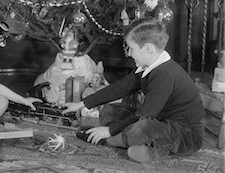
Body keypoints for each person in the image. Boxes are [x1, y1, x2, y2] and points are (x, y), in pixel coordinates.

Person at [62, 17, 205, 163]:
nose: (129, 53)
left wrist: (109, 131)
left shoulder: (164, 75)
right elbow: (120, 88)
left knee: (142, 127)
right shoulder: (147, 67)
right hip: (160, 121)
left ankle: (113, 141)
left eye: (131, 48)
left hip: (186, 135)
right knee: (109, 110)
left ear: (148, 49)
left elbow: (145, 115)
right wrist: (82, 104)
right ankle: (136, 143)